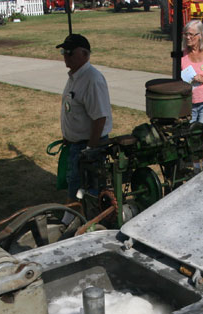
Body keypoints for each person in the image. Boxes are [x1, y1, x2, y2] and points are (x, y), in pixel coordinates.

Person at [57, 34, 113, 203]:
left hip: (89, 146)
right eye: (63, 52)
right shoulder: (75, 76)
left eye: (70, 52)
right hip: (76, 145)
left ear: (84, 54)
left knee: (84, 190)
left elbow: (100, 118)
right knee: (74, 186)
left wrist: (89, 150)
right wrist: (68, 137)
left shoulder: (92, 79)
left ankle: (79, 222)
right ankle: (74, 219)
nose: (65, 56)